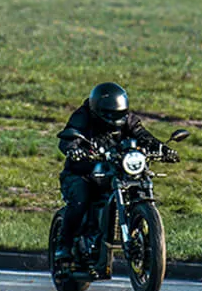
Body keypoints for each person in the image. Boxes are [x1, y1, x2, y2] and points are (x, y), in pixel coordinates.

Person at [55, 82, 179, 264]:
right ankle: (63, 245)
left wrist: (162, 149)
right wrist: (74, 150)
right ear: (97, 109)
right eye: (111, 114)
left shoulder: (127, 119)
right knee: (81, 199)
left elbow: (142, 135)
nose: (116, 119)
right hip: (83, 172)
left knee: (139, 181)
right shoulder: (83, 116)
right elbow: (70, 137)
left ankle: (144, 234)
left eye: (120, 114)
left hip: (116, 167)